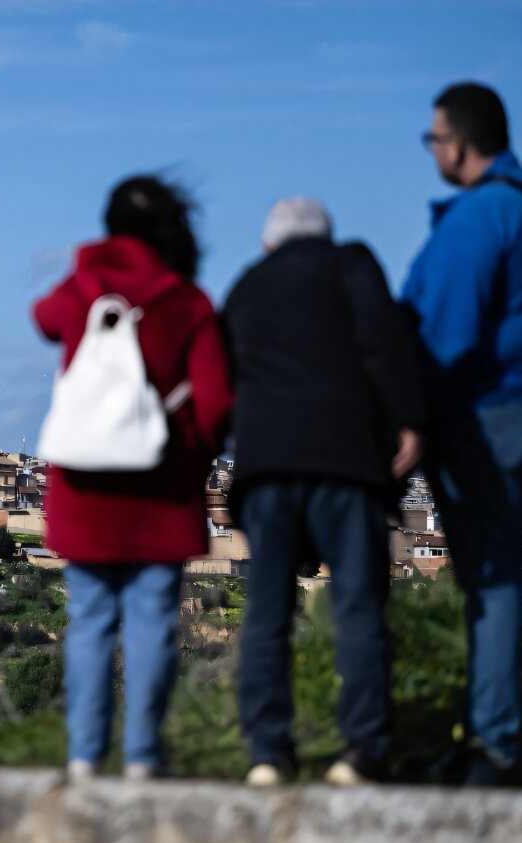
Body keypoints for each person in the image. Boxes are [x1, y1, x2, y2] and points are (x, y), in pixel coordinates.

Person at [33, 175, 232, 781]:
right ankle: (144, 757)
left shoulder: (84, 287)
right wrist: (190, 456)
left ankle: (85, 756)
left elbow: (44, 319)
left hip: (86, 490)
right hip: (161, 490)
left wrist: (87, 266)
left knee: (90, 620)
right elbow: (219, 402)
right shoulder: (188, 301)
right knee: (151, 624)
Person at [402, 82, 522, 786]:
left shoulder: (484, 214)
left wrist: (404, 414)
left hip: (485, 416)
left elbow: (438, 328)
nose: (433, 149)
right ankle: (486, 736)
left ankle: (493, 747)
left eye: (434, 137)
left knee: (493, 581)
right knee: (492, 578)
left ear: (461, 142)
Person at [222, 197, 425, 787]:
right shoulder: (353, 266)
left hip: (268, 469)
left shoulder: (248, 285)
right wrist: (408, 419)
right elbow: (387, 341)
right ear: (326, 237)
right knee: (359, 604)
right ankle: (362, 750)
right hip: (346, 462)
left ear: (269, 244)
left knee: (267, 610)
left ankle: (267, 752)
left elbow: (221, 372)